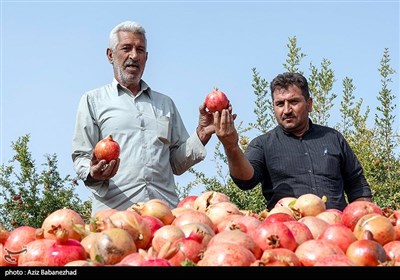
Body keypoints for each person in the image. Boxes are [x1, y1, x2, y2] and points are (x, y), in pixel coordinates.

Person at [71, 21, 215, 215]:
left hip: (163, 216)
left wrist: (201, 135)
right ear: (110, 55)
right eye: (126, 48)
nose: (134, 56)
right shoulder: (93, 100)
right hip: (114, 215)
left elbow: (175, 163)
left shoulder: (165, 104)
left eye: (140, 50)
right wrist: (93, 173)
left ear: (146, 57)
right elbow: (81, 155)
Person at [214, 72, 372, 211]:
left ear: (309, 104)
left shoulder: (333, 138)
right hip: (286, 233)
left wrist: (363, 221)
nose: (287, 110)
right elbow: (245, 181)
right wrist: (231, 146)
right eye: (280, 104)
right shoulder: (263, 144)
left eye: (294, 102)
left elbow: (358, 187)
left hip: (335, 232)